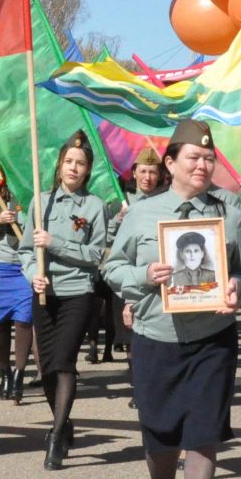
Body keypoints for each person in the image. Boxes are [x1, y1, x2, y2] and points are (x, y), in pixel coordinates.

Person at [104, 120, 241, 479]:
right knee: (160, 438)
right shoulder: (142, 213)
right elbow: (111, 265)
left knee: (204, 436)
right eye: (193, 157)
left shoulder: (229, 213)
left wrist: (238, 289)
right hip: (156, 336)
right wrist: (143, 276)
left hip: (212, 338)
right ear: (169, 163)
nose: (203, 165)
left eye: (209, 158)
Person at [27, 131, 110, 470]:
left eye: (81, 164)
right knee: (47, 367)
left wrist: (56, 243)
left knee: (63, 362)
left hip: (78, 292)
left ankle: (56, 434)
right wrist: (33, 272)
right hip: (45, 293)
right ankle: (65, 421)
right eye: (69, 162)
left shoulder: (95, 206)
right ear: (59, 166)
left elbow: (96, 254)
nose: (74, 168)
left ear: (88, 170)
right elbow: (25, 251)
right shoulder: (39, 202)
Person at [98, 145, 165, 360]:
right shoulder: (120, 200)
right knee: (129, 335)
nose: (148, 177)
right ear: (133, 172)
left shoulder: (165, 201)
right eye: (143, 171)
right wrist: (119, 219)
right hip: (128, 272)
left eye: (153, 172)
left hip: (155, 273)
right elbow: (106, 239)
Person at [0, 178, 36, 402]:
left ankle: (19, 374)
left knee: (24, 320)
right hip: (0, 267)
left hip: (24, 267)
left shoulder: (30, 194)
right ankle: (5, 372)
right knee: (0, 323)